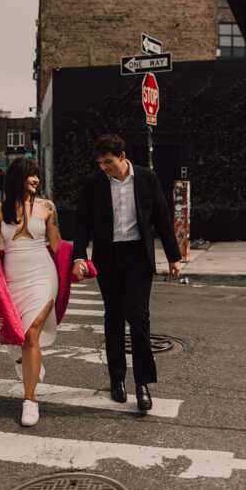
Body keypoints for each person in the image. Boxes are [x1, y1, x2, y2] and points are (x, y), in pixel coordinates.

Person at [72, 133, 182, 413]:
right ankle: (116, 379)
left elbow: (162, 217)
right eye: (99, 162)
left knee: (140, 318)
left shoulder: (147, 178)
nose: (103, 167)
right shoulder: (93, 184)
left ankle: (142, 384)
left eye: (108, 162)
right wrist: (79, 256)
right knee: (114, 319)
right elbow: (82, 222)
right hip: (108, 258)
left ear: (122, 157)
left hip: (138, 257)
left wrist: (174, 257)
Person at [0, 158, 65, 427]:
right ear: (17, 177)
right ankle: (26, 362)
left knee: (32, 334)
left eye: (38, 175)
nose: (36, 180)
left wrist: (78, 263)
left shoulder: (47, 207)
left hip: (43, 275)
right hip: (13, 278)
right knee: (15, 338)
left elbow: (58, 246)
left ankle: (29, 400)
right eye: (31, 175)